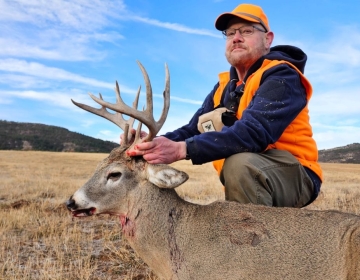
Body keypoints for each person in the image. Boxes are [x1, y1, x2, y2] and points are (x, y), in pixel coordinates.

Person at [125, 3, 323, 208]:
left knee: (239, 165)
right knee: (240, 165)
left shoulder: (282, 76)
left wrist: (182, 150)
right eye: (230, 33)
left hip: (296, 173)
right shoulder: (223, 87)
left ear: (268, 39)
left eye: (247, 31)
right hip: (253, 170)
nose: (236, 38)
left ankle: (254, 239)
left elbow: (254, 132)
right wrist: (153, 142)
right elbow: (193, 129)